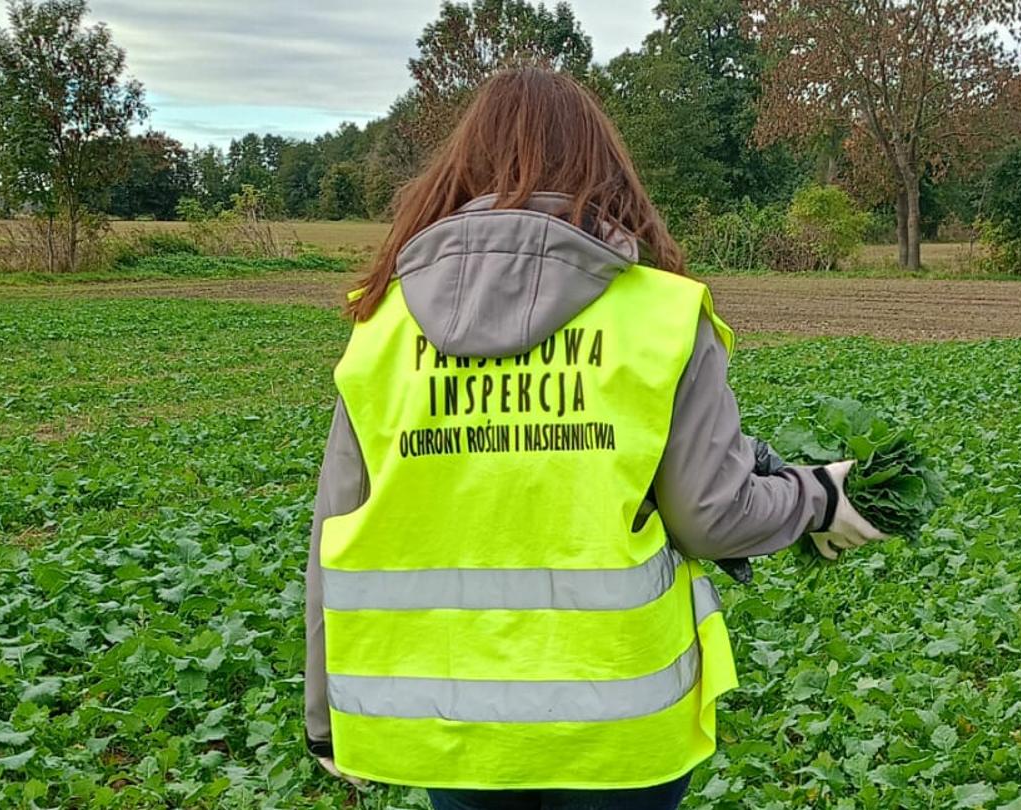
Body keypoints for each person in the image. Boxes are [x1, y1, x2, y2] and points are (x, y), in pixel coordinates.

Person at [302, 67, 884, 810]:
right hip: (621, 720)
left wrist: (325, 719)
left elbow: (333, 532)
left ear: (461, 168)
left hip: (453, 722)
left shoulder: (381, 326)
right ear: (603, 166)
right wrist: (820, 497)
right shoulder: (663, 316)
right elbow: (713, 517)